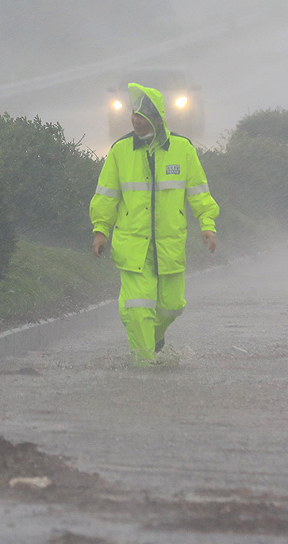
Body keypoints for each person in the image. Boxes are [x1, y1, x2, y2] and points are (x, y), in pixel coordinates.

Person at [90, 82, 220, 365]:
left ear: (158, 118)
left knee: (172, 307)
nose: (136, 120)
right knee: (137, 308)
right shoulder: (120, 151)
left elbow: (198, 191)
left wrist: (207, 223)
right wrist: (101, 230)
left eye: (143, 115)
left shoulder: (182, 149)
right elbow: (106, 195)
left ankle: (154, 340)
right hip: (132, 245)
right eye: (134, 114)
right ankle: (143, 365)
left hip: (169, 244)